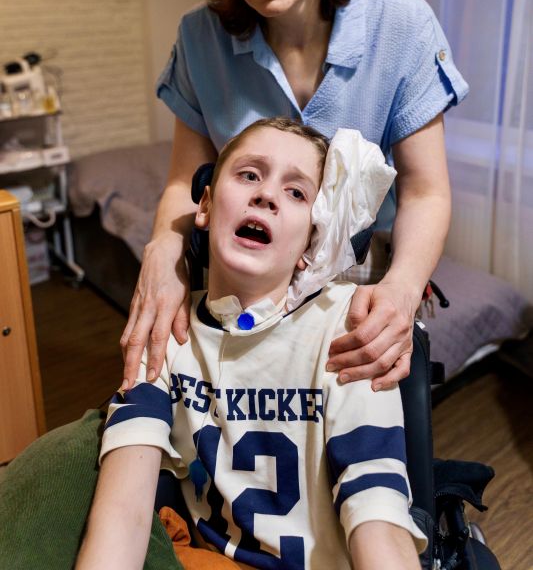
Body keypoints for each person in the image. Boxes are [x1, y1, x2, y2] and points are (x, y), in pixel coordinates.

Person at [120, 0, 468, 395]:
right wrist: (164, 248)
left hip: (364, 279)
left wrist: (403, 289)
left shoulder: (400, 24)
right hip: (244, 281)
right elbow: (184, 182)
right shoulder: (200, 39)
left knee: (360, 435)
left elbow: (425, 191)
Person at [77, 118, 426, 570]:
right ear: (205, 205)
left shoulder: (349, 328)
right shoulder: (165, 333)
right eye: (249, 175)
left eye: (296, 192)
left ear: (313, 242)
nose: (266, 195)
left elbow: (378, 518)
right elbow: (121, 516)